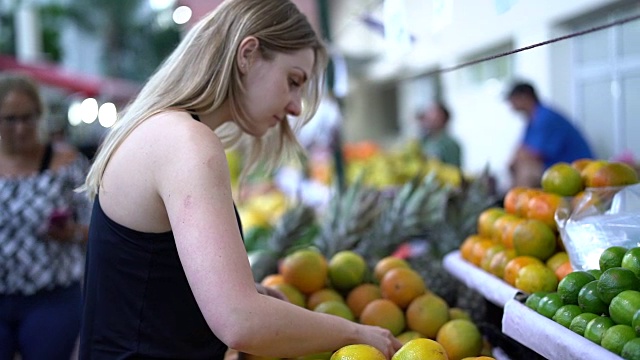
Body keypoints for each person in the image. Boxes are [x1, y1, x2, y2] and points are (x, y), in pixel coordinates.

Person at [77, 1, 401, 359]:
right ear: (247, 54)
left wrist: (248, 293)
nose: (296, 107)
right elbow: (240, 322)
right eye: (293, 81)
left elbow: (145, 279)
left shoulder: (163, 129)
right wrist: (357, 333)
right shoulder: (187, 141)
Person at [0, 73, 92, 359]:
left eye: (27, 118)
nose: (20, 128)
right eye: (10, 119)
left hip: (52, 296)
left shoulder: (66, 163)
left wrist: (72, 232)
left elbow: (100, 226)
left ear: (40, 116)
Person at [506, 81, 594, 188]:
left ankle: (520, 202)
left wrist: (518, 160)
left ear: (525, 97)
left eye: (513, 99)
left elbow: (536, 154)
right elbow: (521, 148)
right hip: (558, 169)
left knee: (527, 170)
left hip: (577, 170)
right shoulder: (531, 120)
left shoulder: (546, 118)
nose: (510, 104)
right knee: (520, 165)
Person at [417, 101, 462, 167]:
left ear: (443, 118)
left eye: (433, 113)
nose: (429, 117)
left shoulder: (450, 144)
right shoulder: (423, 141)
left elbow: (454, 170)